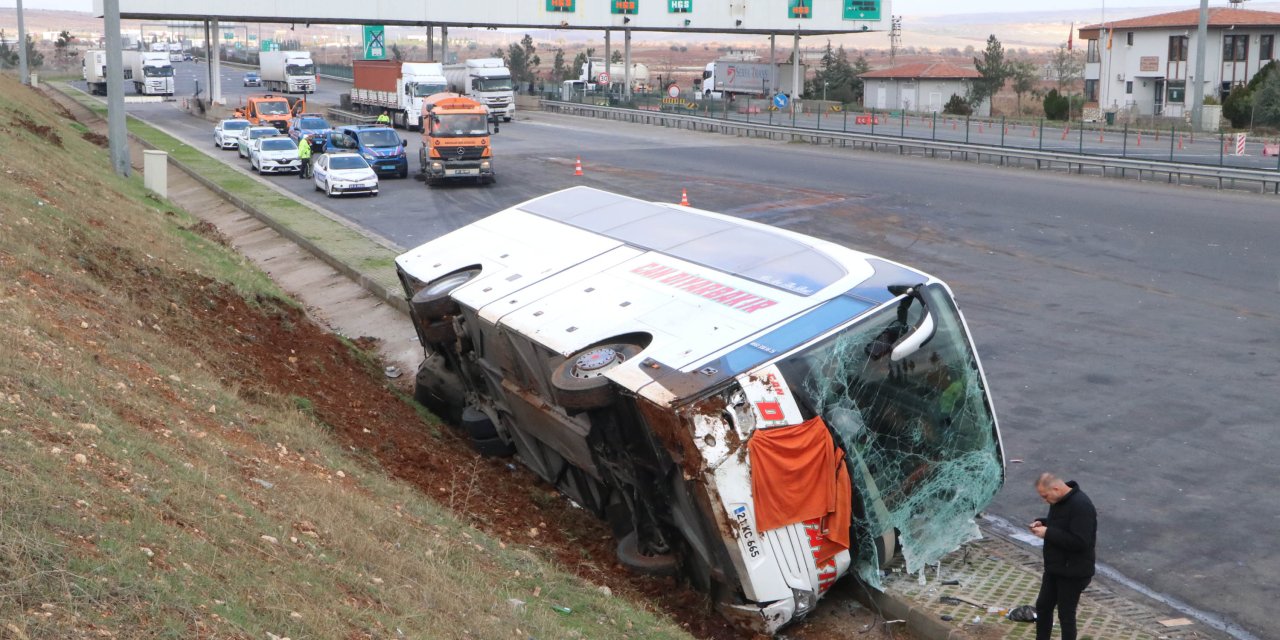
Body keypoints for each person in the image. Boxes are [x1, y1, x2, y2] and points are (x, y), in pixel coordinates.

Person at [1030, 473, 1097, 640]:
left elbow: (1080, 541)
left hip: (1073, 571)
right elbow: (1062, 524)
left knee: (1066, 615)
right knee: (1043, 606)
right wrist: (1043, 523)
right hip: (1056, 567)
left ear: (1056, 488)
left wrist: (1048, 532)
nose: (1045, 500)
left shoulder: (1082, 506)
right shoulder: (1059, 500)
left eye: (1045, 496)